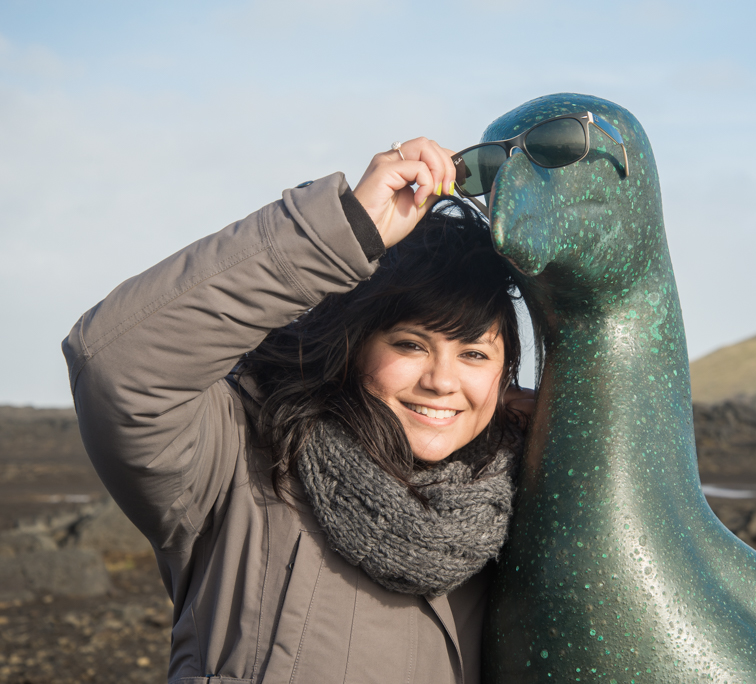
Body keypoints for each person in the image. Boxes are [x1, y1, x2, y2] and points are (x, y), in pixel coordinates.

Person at [62, 137, 533, 684]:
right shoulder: (239, 457)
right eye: (410, 345)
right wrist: (345, 231)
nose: (442, 382)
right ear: (354, 346)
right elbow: (117, 364)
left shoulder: (519, 512)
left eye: (474, 354)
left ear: (504, 379)